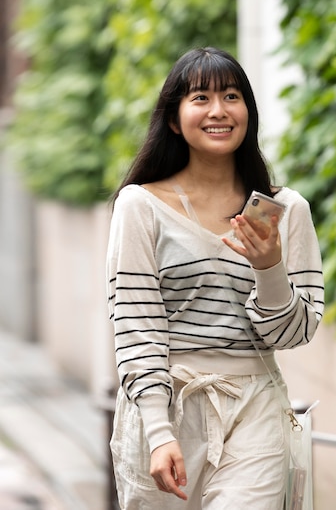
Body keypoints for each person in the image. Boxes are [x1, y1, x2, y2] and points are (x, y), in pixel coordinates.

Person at [106, 46, 324, 510]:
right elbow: (136, 324)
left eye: (231, 96)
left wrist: (269, 269)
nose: (218, 110)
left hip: (255, 406)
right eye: (200, 98)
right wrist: (158, 431)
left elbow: (294, 333)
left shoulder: (284, 211)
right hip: (167, 407)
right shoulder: (140, 206)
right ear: (173, 118)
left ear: (248, 111)